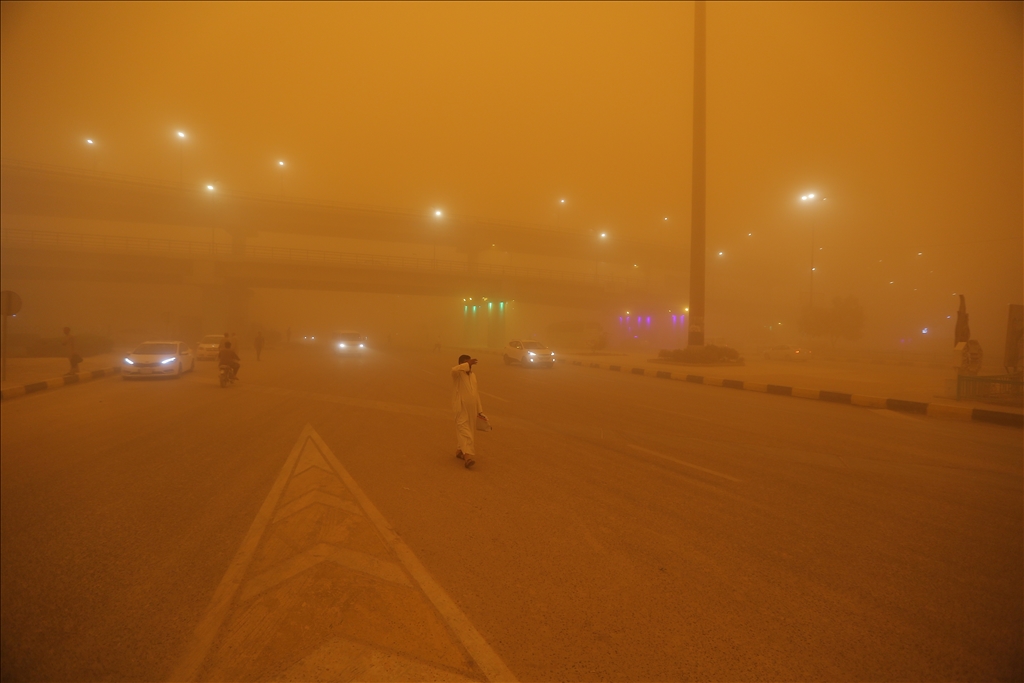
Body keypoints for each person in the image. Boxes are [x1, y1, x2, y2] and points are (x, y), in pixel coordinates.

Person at [451, 354, 486, 469]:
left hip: (472, 409)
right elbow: (454, 369)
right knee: (465, 431)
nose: (469, 365)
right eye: (467, 362)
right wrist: (466, 364)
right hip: (460, 408)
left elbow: (475, 393)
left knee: (469, 430)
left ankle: (459, 451)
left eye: (470, 362)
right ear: (462, 364)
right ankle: (467, 457)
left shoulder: (473, 376)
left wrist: (479, 410)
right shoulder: (457, 374)